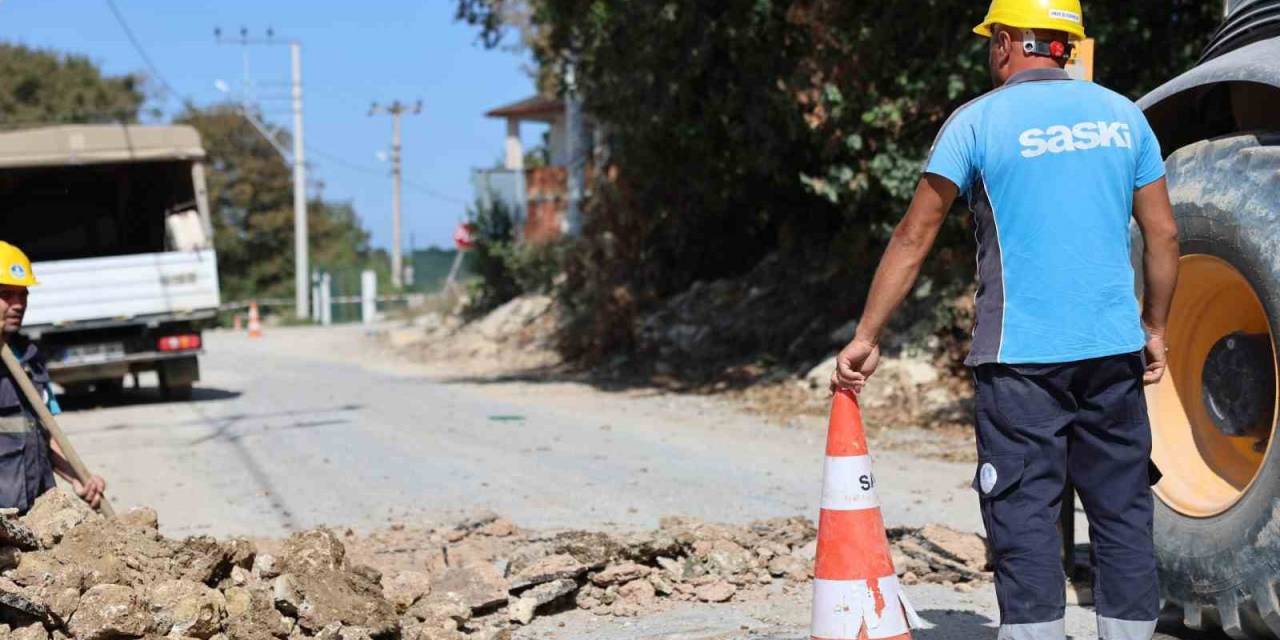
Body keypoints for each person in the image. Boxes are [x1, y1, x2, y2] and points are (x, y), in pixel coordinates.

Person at [828, 1, 1181, 638]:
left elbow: (915, 234)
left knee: (1024, 512)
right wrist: (1154, 329)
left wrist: (866, 336)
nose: (991, 51)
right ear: (1065, 46)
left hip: (1020, 360)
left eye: (993, 39)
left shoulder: (976, 122)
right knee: (1123, 512)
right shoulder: (1124, 116)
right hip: (1112, 353)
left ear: (1010, 43)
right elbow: (1163, 235)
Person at [0, 241, 107, 513]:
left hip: (38, 514)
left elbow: (44, 431)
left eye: (22, 294)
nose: (18, 304)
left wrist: (77, 477)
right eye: (5, 294)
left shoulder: (28, 357)